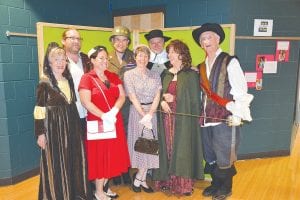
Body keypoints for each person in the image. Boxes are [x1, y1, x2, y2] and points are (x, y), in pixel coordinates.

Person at [192, 23, 253, 200]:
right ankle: (215, 184)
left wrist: (237, 114)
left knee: (224, 154)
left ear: (218, 39)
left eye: (209, 37)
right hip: (206, 119)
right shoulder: (201, 67)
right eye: (202, 39)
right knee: (210, 154)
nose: (205, 41)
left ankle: (226, 188)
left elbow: (241, 90)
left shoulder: (230, 61)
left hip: (225, 118)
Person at [34, 43, 92, 200]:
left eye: (62, 59)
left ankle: (75, 193)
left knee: (73, 159)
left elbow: (71, 103)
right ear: (49, 62)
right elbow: (39, 109)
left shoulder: (69, 79)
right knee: (56, 162)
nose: (60, 63)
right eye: (56, 59)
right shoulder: (44, 83)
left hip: (71, 124)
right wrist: (40, 134)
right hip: (53, 128)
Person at [79, 46, 131, 200]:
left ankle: (105, 187)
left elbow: (122, 96)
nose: (104, 61)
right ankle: (98, 191)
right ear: (92, 60)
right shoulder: (87, 78)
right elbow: (86, 102)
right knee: (100, 157)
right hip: (98, 123)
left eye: (106, 58)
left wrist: (114, 111)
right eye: (100, 58)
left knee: (113, 155)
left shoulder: (113, 76)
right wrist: (104, 116)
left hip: (114, 121)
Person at [153, 40, 204, 196]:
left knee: (182, 149)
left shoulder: (191, 75)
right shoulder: (166, 73)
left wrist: (174, 100)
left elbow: (194, 101)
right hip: (166, 119)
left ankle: (182, 184)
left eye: (173, 52)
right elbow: (159, 94)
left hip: (183, 121)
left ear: (182, 54)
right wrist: (162, 101)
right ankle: (167, 180)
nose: (169, 55)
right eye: (169, 52)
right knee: (167, 148)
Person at [123, 45, 161, 193]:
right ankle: (141, 179)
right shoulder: (129, 74)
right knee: (141, 146)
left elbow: (158, 95)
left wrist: (150, 114)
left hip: (152, 113)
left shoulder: (155, 74)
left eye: (145, 56)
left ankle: (139, 179)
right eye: (140, 55)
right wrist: (143, 115)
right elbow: (132, 96)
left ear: (148, 58)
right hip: (137, 113)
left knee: (149, 146)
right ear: (135, 57)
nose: (142, 58)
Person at [107, 25, 135, 185]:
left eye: (124, 40)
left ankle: (126, 170)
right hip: (111, 105)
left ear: (128, 42)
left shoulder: (134, 57)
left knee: (127, 139)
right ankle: (116, 172)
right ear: (112, 41)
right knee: (114, 139)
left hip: (129, 105)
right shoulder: (105, 57)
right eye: (117, 40)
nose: (120, 43)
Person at [61, 28, 92, 132]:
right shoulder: (59, 61)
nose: (76, 41)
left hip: (89, 113)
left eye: (78, 39)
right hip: (69, 113)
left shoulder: (86, 59)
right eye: (72, 38)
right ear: (63, 41)